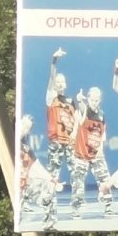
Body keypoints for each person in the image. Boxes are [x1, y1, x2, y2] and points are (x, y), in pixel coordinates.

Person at [69, 87, 114, 219]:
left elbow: (103, 134)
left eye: (97, 100)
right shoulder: (84, 110)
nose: (94, 102)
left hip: (96, 153)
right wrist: (79, 100)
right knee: (78, 181)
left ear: (100, 100)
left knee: (105, 178)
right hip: (81, 154)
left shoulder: (101, 114)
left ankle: (108, 206)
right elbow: (83, 111)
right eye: (92, 99)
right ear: (88, 99)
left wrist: (100, 149)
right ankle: (76, 208)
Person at [17, 114, 57, 228]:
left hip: (24, 184)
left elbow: (35, 164)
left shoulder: (25, 147)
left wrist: (51, 178)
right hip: (12, 183)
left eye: (27, 128)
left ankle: (48, 221)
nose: (24, 130)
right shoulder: (9, 140)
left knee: (48, 186)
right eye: (23, 125)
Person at [43, 48, 76, 187]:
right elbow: (51, 77)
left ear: (66, 83)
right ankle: (49, 204)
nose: (60, 83)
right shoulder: (51, 97)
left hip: (69, 141)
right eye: (58, 81)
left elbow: (75, 122)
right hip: (56, 140)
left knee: (76, 170)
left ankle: (77, 202)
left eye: (63, 81)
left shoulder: (70, 100)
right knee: (53, 173)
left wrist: (74, 135)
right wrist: (54, 60)